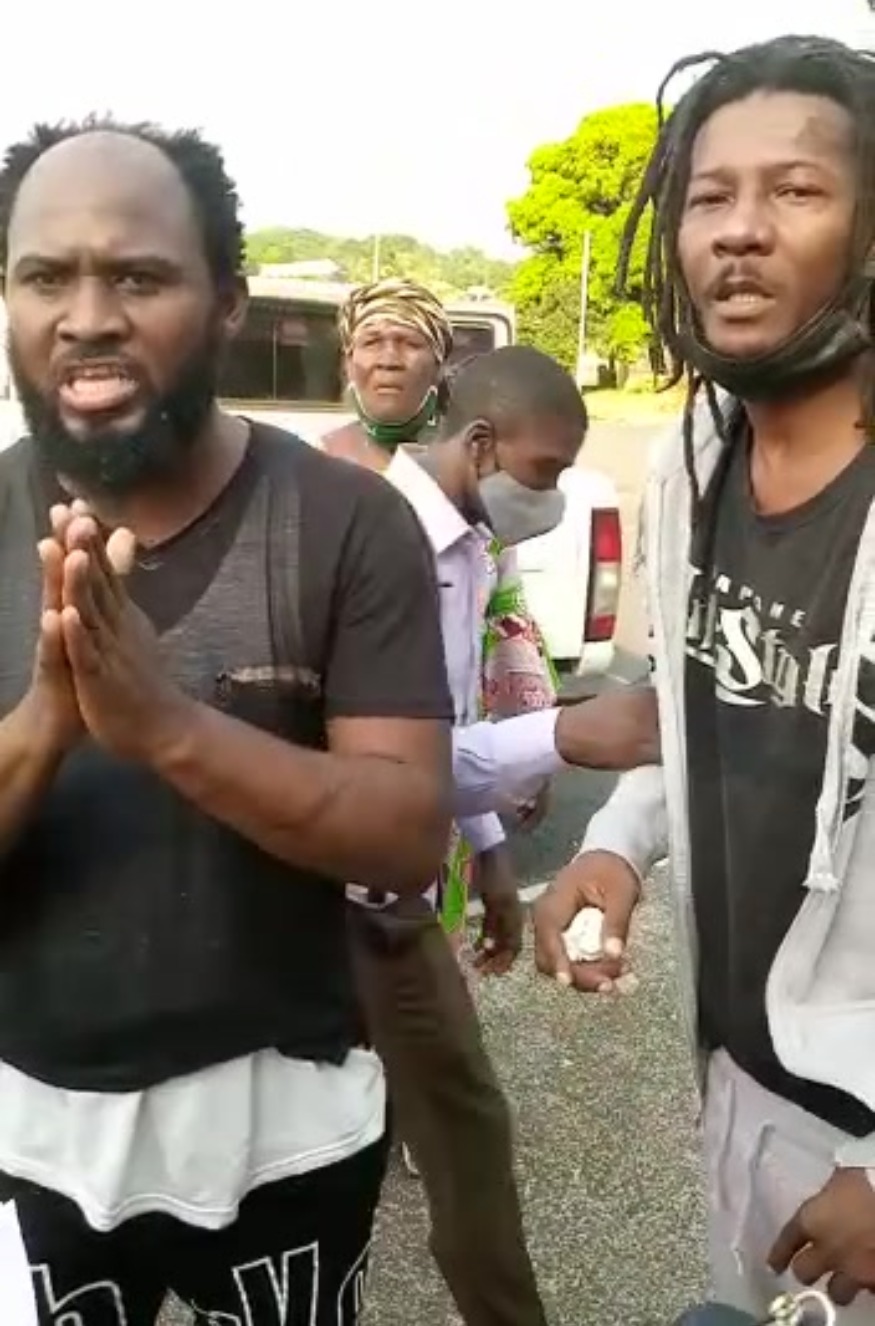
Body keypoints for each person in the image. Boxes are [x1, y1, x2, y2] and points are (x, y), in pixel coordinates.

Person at [0, 118, 455, 1325]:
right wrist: (49, 718)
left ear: (227, 306)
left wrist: (166, 729)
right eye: (44, 277)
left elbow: (406, 829)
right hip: (23, 1128)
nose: (86, 316)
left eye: (138, 277)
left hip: (283, 1131)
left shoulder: (347, 522)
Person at [533, 34, 875, 1321]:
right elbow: (711, 711)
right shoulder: (694, 457)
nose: (736, 229)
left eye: (794, 190)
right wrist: (617, 844)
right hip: (738, 1078)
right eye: (707, 196)